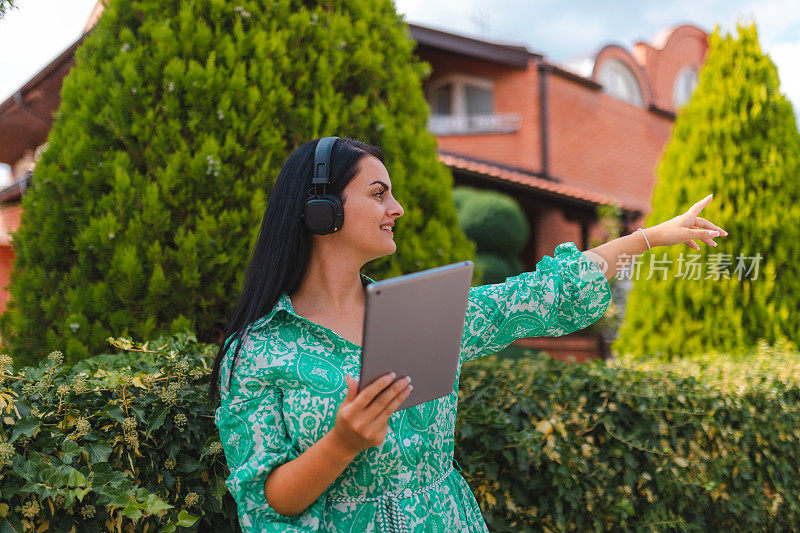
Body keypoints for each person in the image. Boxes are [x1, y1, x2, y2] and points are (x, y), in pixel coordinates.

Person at [208, 137, 727, 532]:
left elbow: (537, 294)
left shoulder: (418, 314)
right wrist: (342, 443)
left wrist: (649, 237)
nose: (398, 209)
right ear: (322, 209)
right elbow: (270, 499)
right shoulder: (260, 348)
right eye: (378, 193)